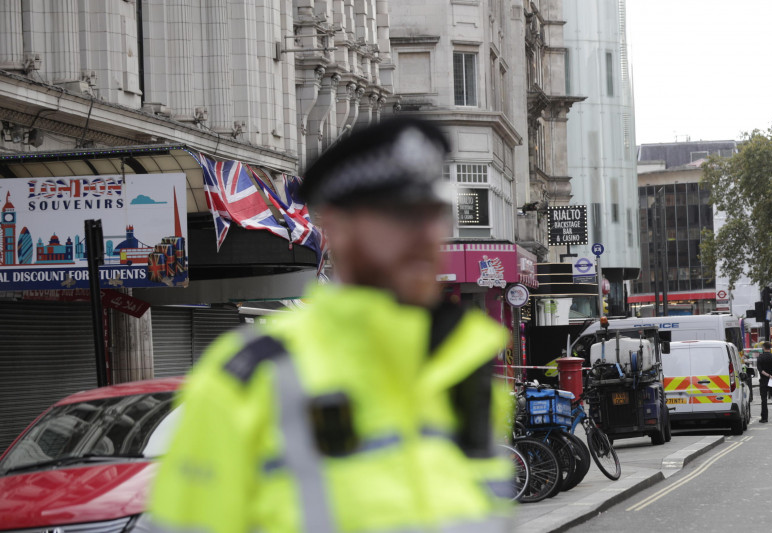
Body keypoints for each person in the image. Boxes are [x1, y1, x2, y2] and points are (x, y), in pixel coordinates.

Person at [148, 118, 514, 533]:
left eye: (433, 213)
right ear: (336, 229)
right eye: (399, 215)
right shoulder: (253, 379)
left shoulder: (464, 370)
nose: (425, 234)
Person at [757, 341, 772, 423]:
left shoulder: (760, 358)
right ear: (770, 347)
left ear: (763, 348)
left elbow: (761, 370)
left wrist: (768, 376)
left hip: (764, 380)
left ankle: (764, 418)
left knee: (764, 399)